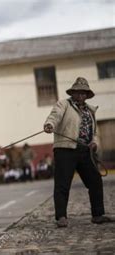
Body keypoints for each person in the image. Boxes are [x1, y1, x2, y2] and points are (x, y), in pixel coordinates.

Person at [44, 77, 111, 228]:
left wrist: (94, 142)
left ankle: (98, 214)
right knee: (62, 184)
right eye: (78, 92)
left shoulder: (90, 111)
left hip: (85, 151)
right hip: (65, 149)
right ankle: (61, 217)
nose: (81, 95)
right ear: (73, 93)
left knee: (95, 181)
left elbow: (93, 132)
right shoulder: (64, 104)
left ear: (87, 95)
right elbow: (55, 116)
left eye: (84, 93)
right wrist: (49, 124)